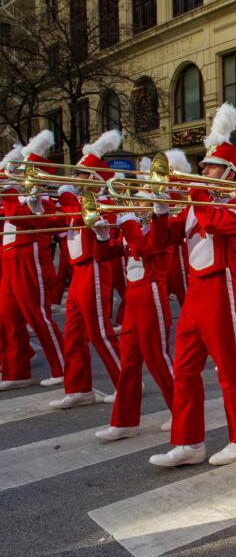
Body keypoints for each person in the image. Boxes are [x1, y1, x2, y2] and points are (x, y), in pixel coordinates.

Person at [149, 104, 236, 468]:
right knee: (185, 368)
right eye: (204, 166)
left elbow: (221, 225)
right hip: (196, 291)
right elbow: (163, 241)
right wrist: (160, 210)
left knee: (229, 369)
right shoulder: (198, 202)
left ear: (228, 172)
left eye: (210, 167)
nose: (202, 171)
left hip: (222, 287)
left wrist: (197, 195)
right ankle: (188, 442)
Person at [92, 189, 175, 441]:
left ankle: (181, 411)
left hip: (152, 294)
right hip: (133, 297)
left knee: (158, 360)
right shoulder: (136, 228)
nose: (137, 207)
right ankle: (125, 421)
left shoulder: (160, 228)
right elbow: (103, 256)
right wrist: (103, 236)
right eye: (136, 202)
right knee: (128, 363)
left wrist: (127, 223)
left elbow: (143, 248)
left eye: (142, 202)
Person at [50, 130, 124, 408]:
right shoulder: (80, 201)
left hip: (93, 268)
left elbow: (101, 223)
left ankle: (125, 383)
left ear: (93, 178)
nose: (74, 179)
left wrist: (70, 199)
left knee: (100, 332)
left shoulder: (102, 201)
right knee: (73, 333)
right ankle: (79, 387)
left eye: (80, 175)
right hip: (78, 271)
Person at [0, 136, 67, 390]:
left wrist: (20, 199)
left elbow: (31, 223)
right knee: (7, 318)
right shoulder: (14, 193)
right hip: (8, 256)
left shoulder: (44, 198)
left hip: (29, 256)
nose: (19, 174)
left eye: (27, 170)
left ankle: (63, 367)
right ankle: (16, 372)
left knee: (39, 317)